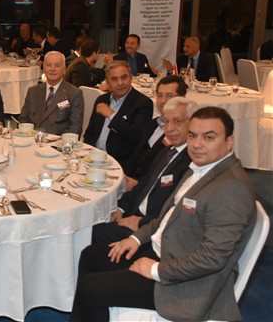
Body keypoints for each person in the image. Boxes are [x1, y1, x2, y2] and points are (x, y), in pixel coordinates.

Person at [71, 106, 256, 322]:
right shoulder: (200, 169)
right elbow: (167, 217)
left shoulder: (231, 187)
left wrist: (156, 269)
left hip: (185, 284)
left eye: (209, 137)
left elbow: (213, 257)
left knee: (91, 290)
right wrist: (136, 239)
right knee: (90, 256)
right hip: (167, 251)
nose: (197, 144)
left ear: (229, 142)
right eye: (193, 136)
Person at [92, 97, 196, 244]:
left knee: (89, 234)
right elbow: (145, 184)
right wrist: (120, 208)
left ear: (193, 123)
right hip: (133, 212)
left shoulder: (192, 162)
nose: (170, 128)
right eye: (166, 122)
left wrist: (142, 222)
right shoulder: (168, 151)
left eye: (177, 121)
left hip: (150, 230)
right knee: (91, 218)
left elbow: (177, 211)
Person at [83, 61, 153, 166]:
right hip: (93, 158)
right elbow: (90, 132)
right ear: (108, 82)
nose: (120, 83)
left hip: (120, 163)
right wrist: (86, 155)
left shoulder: (143, 103)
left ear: (131, 77)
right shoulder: (102, 100)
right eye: (114, 79)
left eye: (124, 77)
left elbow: (137, 136)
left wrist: (112, 115)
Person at [124, 75, 186, 185]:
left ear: (182, 99)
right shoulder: (152, 124)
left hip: (150, 187)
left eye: (169, 96)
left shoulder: (182, 133)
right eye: (160, 95)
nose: (163, 101)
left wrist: (138, 185)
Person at [19, 51, 84, 135]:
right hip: (33, 138)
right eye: (49, 65)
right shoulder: (33, 91)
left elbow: (75, 127)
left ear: (64, 69)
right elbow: (23, 119)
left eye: (57, 65)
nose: (52, 69)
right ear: (44, 68)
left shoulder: (74, 93)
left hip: (58, 141)